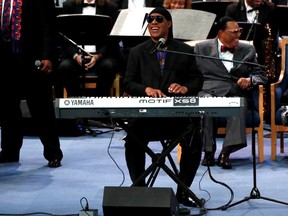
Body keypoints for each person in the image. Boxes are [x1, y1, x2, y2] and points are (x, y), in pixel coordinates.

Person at [122, 7, 203, 207]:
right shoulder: (137, 52)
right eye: (150, 20)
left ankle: (183, 192)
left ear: (169, 24)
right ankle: (140, 190)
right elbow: (127, 82)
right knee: (132, 140)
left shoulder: (184, 50)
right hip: (146, 118)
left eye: (159, 19)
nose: (154, 23)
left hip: (176, 117)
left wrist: (185, 87)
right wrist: (146, 89)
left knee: (194, 141)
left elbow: (197, 79)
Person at [194, 16, 268, 169]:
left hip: (235, 91)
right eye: (234, 32)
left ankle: (226, 152)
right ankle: (208, 151)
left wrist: (251, 81)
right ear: (221, 33)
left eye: (239, 31)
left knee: (237, 105)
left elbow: (262, 76)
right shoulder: (201, 48)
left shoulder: (248, 49)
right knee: (205, 104)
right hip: (210, 90)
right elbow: (192, 74)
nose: (238, 35)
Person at [0, 0, 63, 167]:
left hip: (33, 59)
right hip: (4, 60)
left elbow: (48, 25)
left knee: (41, 108)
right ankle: (9, 151)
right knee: (7, 109)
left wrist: (48, 55)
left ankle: (53, 153)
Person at [54, 0, 120, 97]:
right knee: (65, 67)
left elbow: (113, 39)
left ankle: (99, 102)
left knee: (108, 66)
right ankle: (76, 101)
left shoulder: (110, 7)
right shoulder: (69, 5)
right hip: (76, 57)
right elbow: (64, 38)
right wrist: (76, 56)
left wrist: (98, 55)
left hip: (101, 57)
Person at [224, 0, 278, 67]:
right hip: (238, 51)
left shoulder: (270, 8)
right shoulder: (232, 9)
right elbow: (227, 34)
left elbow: (274, 32)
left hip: (261, 52)